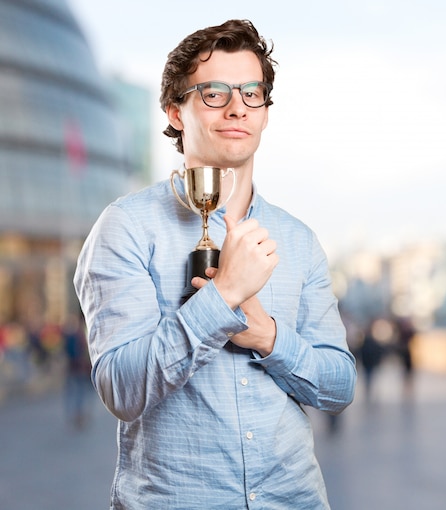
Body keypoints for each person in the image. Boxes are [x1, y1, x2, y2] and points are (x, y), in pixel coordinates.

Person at [74, 19, 356, 509]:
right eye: (213, 93)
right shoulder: (126, 227)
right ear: (175, 112)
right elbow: (120, 389)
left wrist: (268, 337)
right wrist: (222, 298)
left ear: (265, 112)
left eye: (252, 93)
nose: (236, 107)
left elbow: (339, 385)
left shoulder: (299, 239)